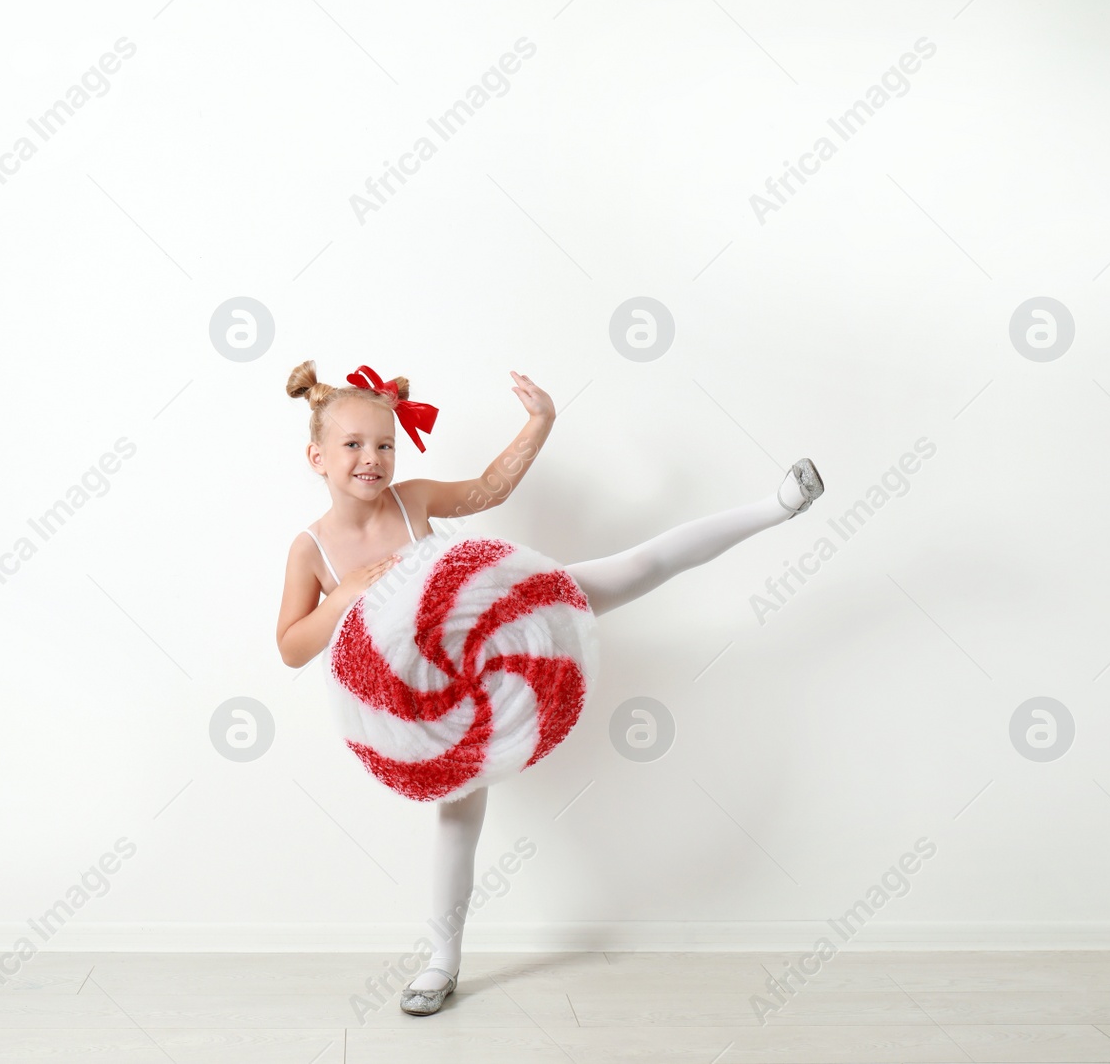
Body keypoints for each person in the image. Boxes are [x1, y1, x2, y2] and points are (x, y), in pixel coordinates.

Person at [275, 360, 823, 1016]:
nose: (373, 458)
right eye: (354, 445)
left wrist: (540, 421)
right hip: (430, 707)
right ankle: (441, 962)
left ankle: (777, 506)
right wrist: (348, 593)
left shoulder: (411, 497)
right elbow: (291, 646)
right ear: (317, 456)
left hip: (505, 626)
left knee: (638, 565)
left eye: (385, 443)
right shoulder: (311, 548)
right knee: (457, 819)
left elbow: (486, 490)